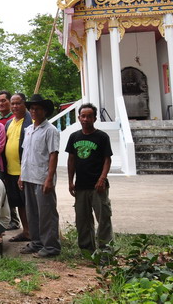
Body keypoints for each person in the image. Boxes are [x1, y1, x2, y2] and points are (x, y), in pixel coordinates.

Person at [66, 103, 114, 252]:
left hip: (98, 186)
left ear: (95, 118)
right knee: (82, 220)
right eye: (83, 116)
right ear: (79, 118)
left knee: (103, 218)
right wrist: (70, 182)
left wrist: (102, 179)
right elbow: (71, 160)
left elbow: (107, 159)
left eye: (89, 116)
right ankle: (87, 250)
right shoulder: (74, 137)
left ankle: (106, 251)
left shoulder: (102, 137)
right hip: (81, 186)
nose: (86, 119)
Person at [18, 94, 61, 258]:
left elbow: (53, 154)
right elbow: (26, 154)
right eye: (32, 108)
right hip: (29, 176)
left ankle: (51, 247)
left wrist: (49, 178)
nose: (34, 111)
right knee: (32, 213)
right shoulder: (29, 129)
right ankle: (36, 243)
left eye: (37, 108)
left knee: (47, 214)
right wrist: (21, 175)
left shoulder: (50, 130)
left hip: (42, 178)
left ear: (45, 111)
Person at [4, 93, 33, 239]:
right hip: (11, 171)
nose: (15, 106)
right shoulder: (9, 123)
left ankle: (35, 233)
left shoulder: (31, 122)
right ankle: (26, 231)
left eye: (18, 103)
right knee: (19, 203)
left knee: (30, 204)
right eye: (12, 103)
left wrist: (24, 171)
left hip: (25, 172)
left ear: (24, 104)